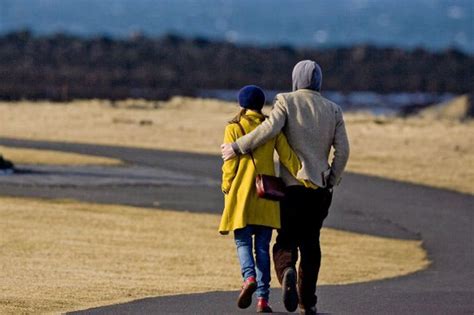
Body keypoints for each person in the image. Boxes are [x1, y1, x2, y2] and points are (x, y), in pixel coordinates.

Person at [221, 61, 350, 315]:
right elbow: (343, 151)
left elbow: (268, 130)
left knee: (285, 241)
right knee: (312, 245)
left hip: (290, 188)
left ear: (295, 80)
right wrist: (331, 178)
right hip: (319, 189)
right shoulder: (333, 110)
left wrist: (237, 147)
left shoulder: (286, 101)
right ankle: (307, 301)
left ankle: (287, 270)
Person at [219, 85, 310, 313]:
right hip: (266, 194)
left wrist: (226, 185)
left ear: (241, 104)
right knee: (261, 247)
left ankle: (248, 278)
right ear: (261, 105)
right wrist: (306, 177)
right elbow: (288, 156)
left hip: (242, 195)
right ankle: (263, 300)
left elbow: (229, 164)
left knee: (242, 242)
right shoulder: (272, 127)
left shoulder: (234, 127)